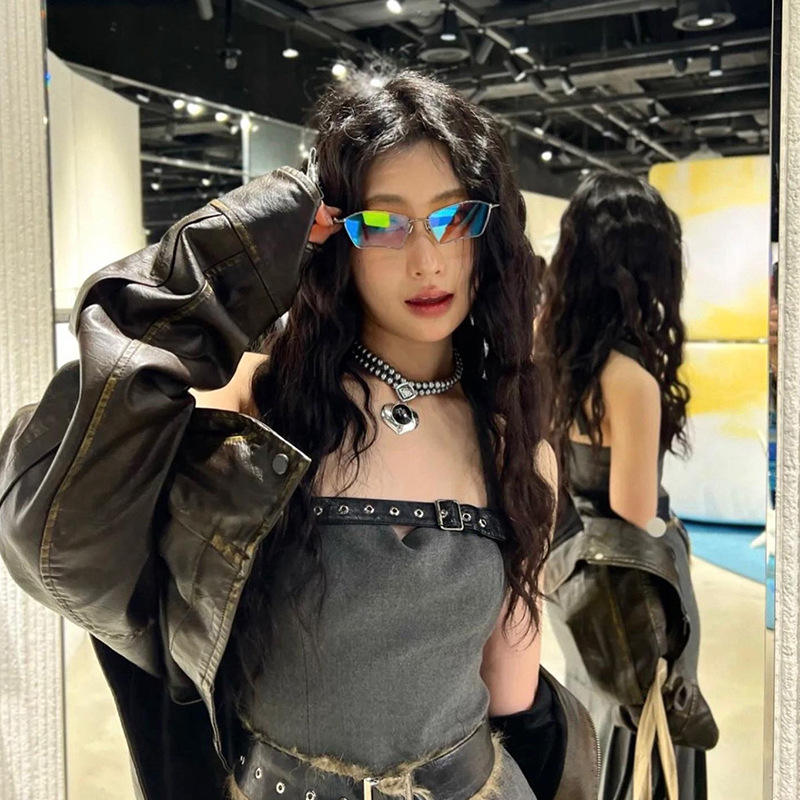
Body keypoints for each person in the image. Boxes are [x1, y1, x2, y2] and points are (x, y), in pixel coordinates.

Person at [0, 68, 578, 800]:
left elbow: (512, 695)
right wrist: (238, 247)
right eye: (384, 225)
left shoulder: (515, 449)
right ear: (336, 237)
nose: (428, 261)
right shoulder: (256, 409)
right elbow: (52, 525)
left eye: (451, 219)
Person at [536, 171, 716, 799]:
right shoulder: (629, 379)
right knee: (651, 730)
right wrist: (671, 531)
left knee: (593, 712)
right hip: (633, 582)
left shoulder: (547, 353)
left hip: (569, 572)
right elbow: (634, 507)